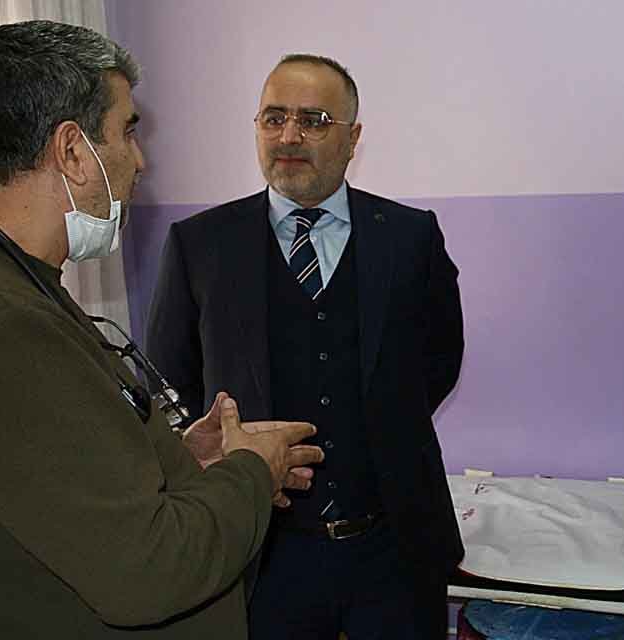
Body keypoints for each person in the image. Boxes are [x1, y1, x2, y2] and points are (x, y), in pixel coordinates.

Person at [0, 20, 324, 639]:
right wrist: (252, 470)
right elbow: (149, 571)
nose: (140, 161)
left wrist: (178, 460)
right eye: (127, 131)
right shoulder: (0, 323)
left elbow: (36, 484)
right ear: (73, 152)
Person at [146, 54, 465, 639]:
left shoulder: (410, 237)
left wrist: (383, 424)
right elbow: (172, 384)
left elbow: (440, 360)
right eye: (274, 118)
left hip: (393, 546)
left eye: (314, 120)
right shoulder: (200, 245)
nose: (289, 136)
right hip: (260, 555)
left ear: (353, 138)